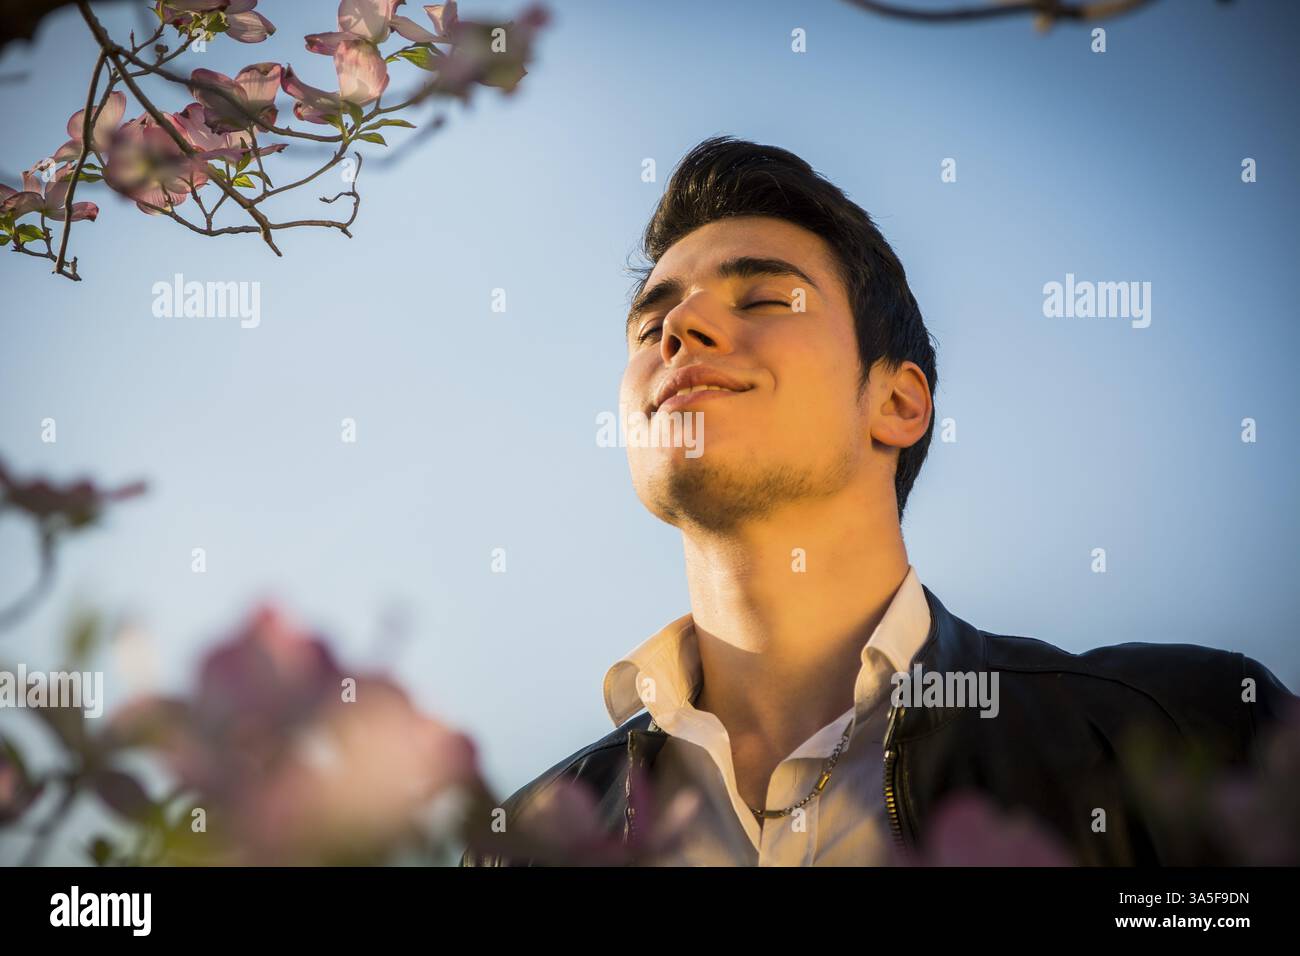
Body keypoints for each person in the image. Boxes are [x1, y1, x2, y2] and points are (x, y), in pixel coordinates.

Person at [460, 136, 1296, 867]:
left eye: (762, 298)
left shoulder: (1194, 733)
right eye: (652, 327)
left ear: (898, 403)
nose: (683, 328)